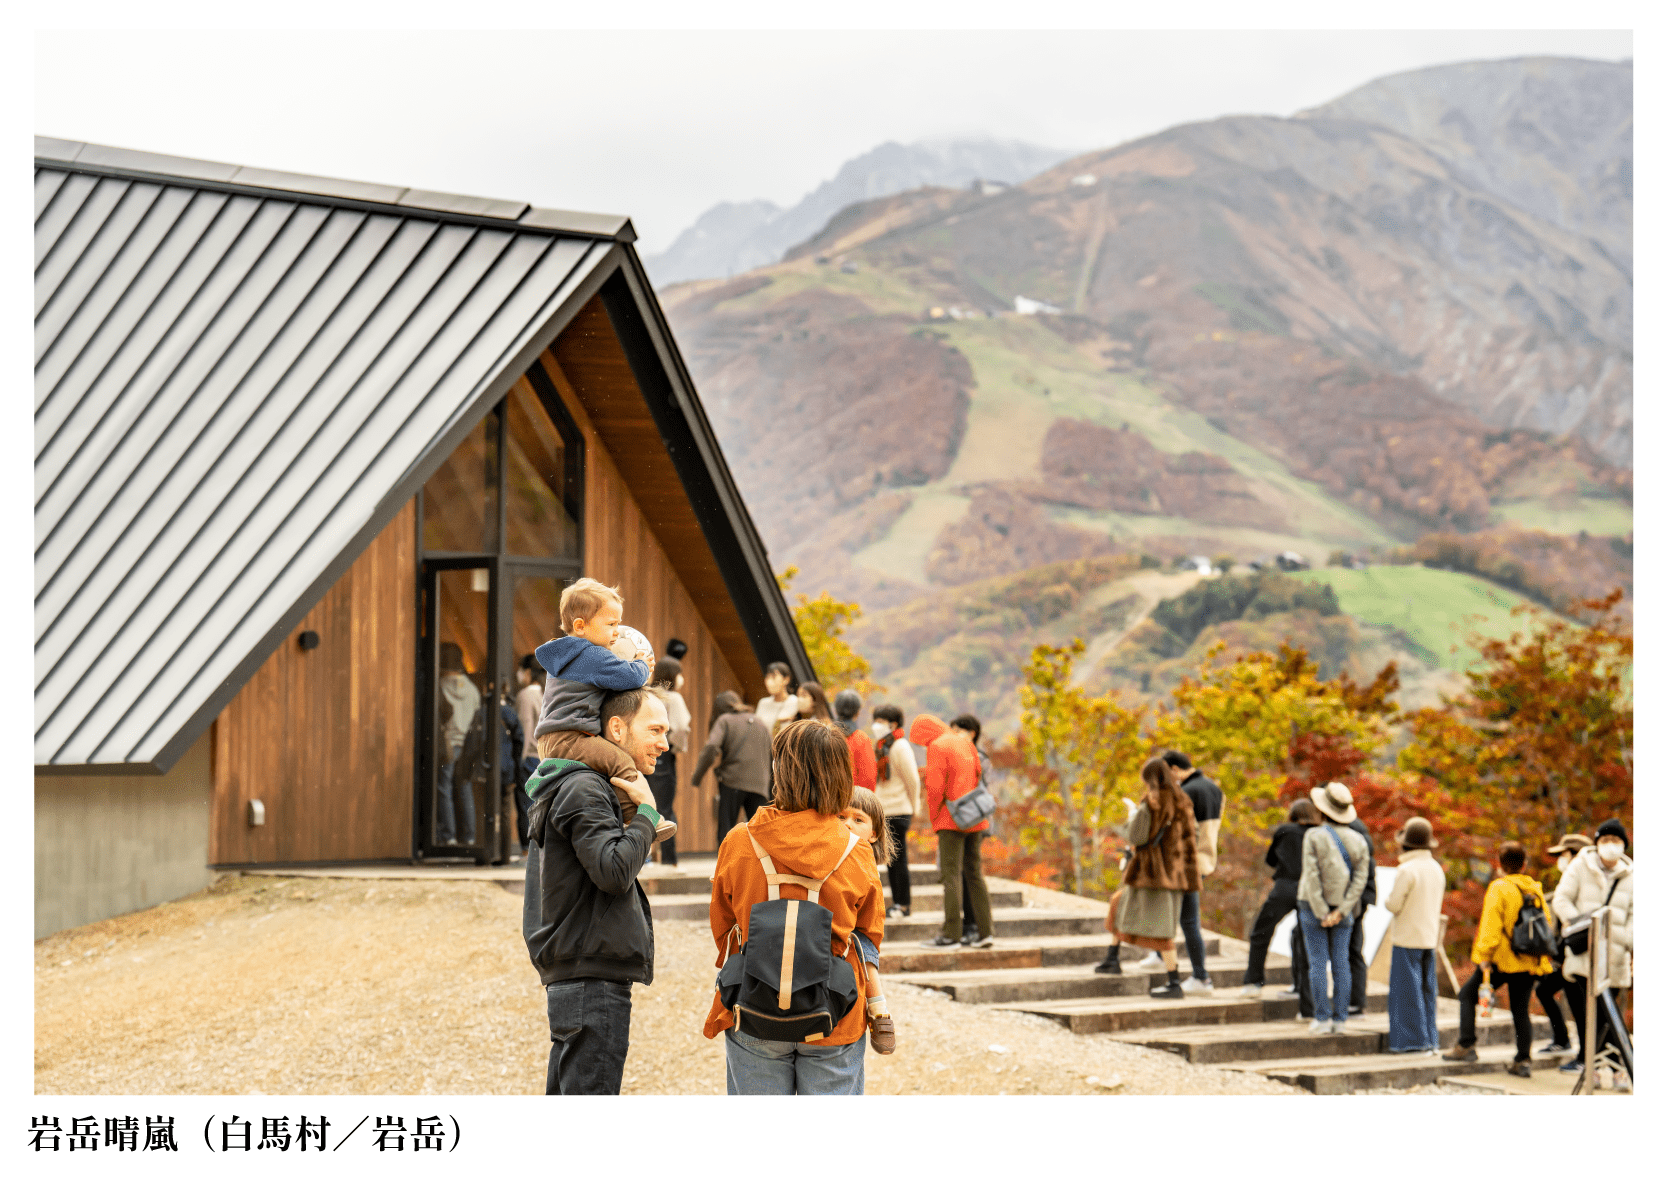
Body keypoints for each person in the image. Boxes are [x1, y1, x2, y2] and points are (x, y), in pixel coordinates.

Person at [704, 720, 886, 1094]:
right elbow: (870, 932)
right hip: (835, 1011)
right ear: (841, 776)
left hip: (755, 1004)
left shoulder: (740, 841)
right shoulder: (857, 850)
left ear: (780, 771)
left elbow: (723, 926)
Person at [522, 686, 671, 1094]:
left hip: (581, 973)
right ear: (617, 729)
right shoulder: (585, 787)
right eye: (655, 730)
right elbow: (613, 870)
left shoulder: (576, 782)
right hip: (591, 979)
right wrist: (646, 814)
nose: (665, 743)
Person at [530, 579, 674, 846]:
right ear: (580, 627)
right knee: (620, 762)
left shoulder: (565, 656)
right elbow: (627, 677)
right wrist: (642, 664)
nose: (617, 633)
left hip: (553, 740)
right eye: (611, 624)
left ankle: (623, 813)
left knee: (608, 764)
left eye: (618, 624)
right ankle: (637, 817)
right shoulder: (590, 655)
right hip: (572, 738)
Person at [1442, 840, 1554, 1076]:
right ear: (1524, 864)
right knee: (1520, 1010)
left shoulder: (1499, 887)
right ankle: (1523, 1060)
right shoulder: (1534, 888)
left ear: (1499, 865)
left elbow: (1491, 926)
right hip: (1528, 960)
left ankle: (1466, 1044)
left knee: (1467, 995)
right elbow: (1546, 923)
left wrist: (1483, 957)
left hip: (1501, 961)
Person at [1103, 757, 1200, 998]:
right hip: (1176, 874)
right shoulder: (1183, 800)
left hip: (1152, 874)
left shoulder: (1153, 802)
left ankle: (1174, 982)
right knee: (1119, 903)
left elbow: (1136, 836)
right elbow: (1191, 837)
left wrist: (1132, 815)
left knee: (1163, 931)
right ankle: (1112, 957)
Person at [1551, 819, 1633, 1087]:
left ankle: (1617, 1068)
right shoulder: (1580, 866)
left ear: (1624, 845)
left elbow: (1637, 917)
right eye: (1605, 839)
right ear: (1596, 842)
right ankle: (1597, 1070)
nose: (1610, 845)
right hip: (1583, 956)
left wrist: (1627, 943)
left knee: (1611, 1018)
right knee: (1590, 1016)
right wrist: (1583, 927)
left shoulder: (1632, 876)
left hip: (1615, 957)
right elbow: (1561, 900)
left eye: (1616, 840)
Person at [910, 713, 993, 949]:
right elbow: (978, 775)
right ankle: (985, 931)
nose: (923, 746)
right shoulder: (965, 742)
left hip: (950, 819)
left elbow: (935, 787)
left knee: (951, 875)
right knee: (974, 874)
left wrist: (935, 816)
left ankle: (951, 935)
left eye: (921, 741)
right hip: (974, 817)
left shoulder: (937, 746)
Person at [1297, 782, 1369, 1033]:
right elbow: (1360, 880)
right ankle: (1340, 1019)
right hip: (1345, 909)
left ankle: (1322, 1017)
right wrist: (1342, 910)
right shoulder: (1359, 840)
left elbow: (1311, 875)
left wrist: (1321, 912)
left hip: (1312, 906)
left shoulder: (1314, 836)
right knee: (1341, 962)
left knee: (1317, 963)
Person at [839, 786, 898, 1054]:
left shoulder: (866, 866)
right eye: (841, 818)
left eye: (858, 820)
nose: (848, 824)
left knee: (865, 942)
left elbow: (871, 922)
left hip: (857, 934)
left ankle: (878, 1008)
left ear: (874, 834)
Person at [1235, 798, 1316, 993]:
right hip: (1310, 888)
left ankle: (1254, 982)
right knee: (1304, 937)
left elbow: (1271, 859)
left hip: (1285, 887)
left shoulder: (1285, 830)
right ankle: (1302, 988)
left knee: (1261, 931)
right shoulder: (1317, 833)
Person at [1382, 817, 1445, 1054]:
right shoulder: (1436, 869)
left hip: (1407, 936)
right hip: (1429, 936)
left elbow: (1393, 904)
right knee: (1427, 991)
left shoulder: (1407, 870)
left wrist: (1387, 901)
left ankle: (1410, 1040)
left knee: (1406, 991)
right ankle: (1430, 1038)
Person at [1161, 750, 1223, 993]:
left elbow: (1179, 832)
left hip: (1186, 863)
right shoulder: (1214, 788)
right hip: (1207, 859)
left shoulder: (1186, 792)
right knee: (1186, 919)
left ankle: (1200, 976)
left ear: (1175, 769)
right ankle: (1169, 958)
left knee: (1184, 920)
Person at [1534, 833, 1592, 1057]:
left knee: (1580, 1006)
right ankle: (1562, 1039)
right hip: (1565, 953)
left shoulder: (1583, 883)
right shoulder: (1570, 880)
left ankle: (1585, 1056)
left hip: (1578, 953)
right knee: (1545, 990)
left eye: (1563, 855)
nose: (1560, 860)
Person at [694, 691, 773, 839]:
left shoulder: (724, 720)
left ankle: (726, 862)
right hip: (760, 785)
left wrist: (697, 777)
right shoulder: (760, 722)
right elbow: (773, 752)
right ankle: (760, 862)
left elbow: (711, 748)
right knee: (760, 832)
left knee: (727, 828)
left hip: (732, 781)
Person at [870, 704, 921, 918]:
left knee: (898, 860)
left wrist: (914, 806)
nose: (876, 725)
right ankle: (898, 904)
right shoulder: (883, 747)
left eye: (881, 721)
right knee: (891, 860)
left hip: (899, 810)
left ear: (893, 724)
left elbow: (913, 779)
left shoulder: (899, 746)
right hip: (886, 810)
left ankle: (903, 905)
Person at [644, 656, 692, 865]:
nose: (681, 678)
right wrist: (677, 745)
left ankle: (646, 856)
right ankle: (669, 858)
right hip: (664, 754)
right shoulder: (673, 698)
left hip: (643, 753)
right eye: (679, 673)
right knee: (665, 808)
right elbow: (680, 727)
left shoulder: (647, 694)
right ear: (673, 676)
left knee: (643, 804)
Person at [950, 714, 992, 943]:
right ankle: (970, 925)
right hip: (964, 818)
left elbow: (980, 788)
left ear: (971, 732)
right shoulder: (964, 754)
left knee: (970, 873)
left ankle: (973, 925)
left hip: (973, 819)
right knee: (967, 873)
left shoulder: (979, 757)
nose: (954, 733)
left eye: (958, 729)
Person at [436, 641, 481, 845]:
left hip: (447, 744)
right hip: (468, 745)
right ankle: (470, 836)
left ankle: (449, 836)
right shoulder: (472, 690)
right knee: (464, 787)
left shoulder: (440, 686)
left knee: (443, 787)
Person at [513, 655, 546, 852]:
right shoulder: (544, 694)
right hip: (543, 758)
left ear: (526, 672)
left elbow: (524, 730)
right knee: (538, 805)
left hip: (529, 758)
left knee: (526, 805)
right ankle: (536, 849)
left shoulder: (525, 695)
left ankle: (528, 850)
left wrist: (520, 759)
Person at [833, 689, 878, 791]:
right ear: (858, 712)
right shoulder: (861, 739)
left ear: (835, 711)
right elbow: (868, 778)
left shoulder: (824, 734)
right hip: (853, 800)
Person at [754, 661, 799, 734]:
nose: (769, 682)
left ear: (786, 679)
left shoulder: (794, 701)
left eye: (774, 677)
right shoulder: (763, 702)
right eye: (767, 677)